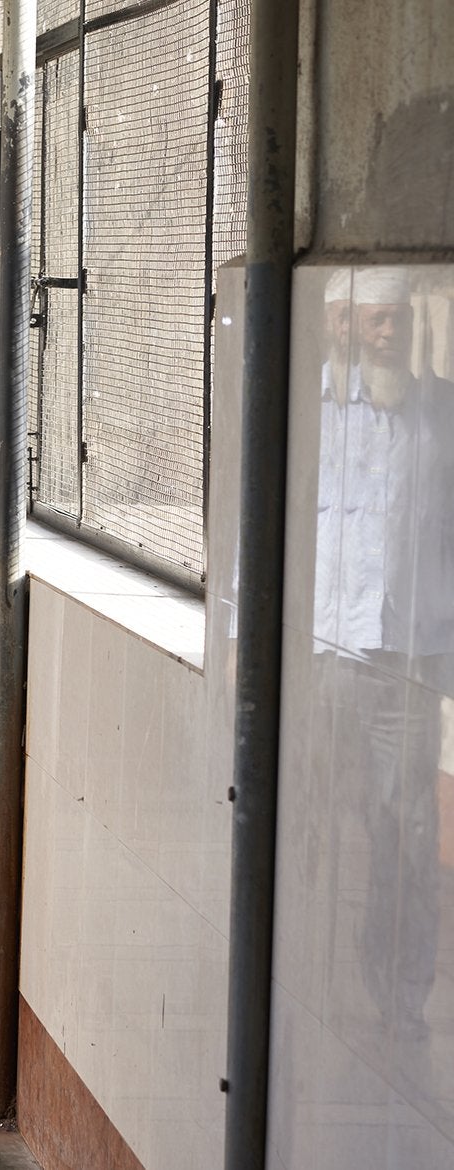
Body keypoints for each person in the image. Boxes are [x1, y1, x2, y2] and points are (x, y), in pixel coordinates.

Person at [313, 265, 454, 1043]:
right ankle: (308, 971)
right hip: (325, 653)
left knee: (403, 826)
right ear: (341, 322)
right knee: (321, 816)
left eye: (398, 319)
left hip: (408, 657)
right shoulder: (318, 413)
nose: (390, 332)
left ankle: (399, 989)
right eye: (375, 319)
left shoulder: (440, 412)